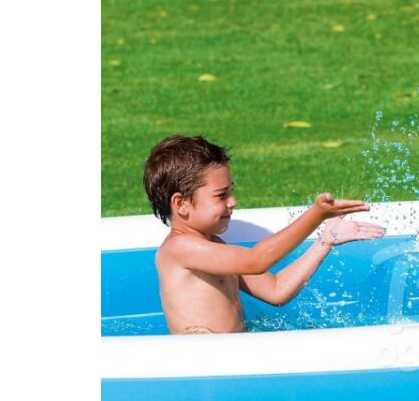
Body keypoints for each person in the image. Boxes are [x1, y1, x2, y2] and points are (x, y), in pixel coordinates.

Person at [143, 135, 385, 334]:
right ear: (181, 204)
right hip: (206, 367)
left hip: (230, 358)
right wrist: (316, 215)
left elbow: (276, 290)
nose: (233, 201)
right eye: (221, 195)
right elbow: (256, 261)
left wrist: (325, 240)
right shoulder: (179, 249)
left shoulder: (214, 245)